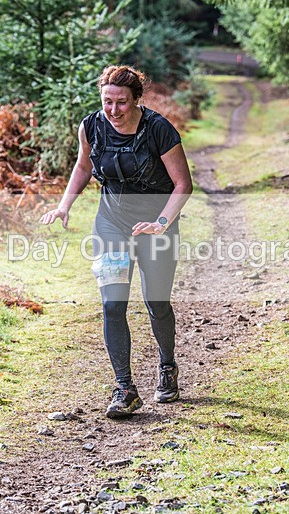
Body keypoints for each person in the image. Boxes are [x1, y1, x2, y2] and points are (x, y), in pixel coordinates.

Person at [40, 65, 193, 419]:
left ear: (136, 99)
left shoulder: (159, 129)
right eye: (107, 101)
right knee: (112, 305)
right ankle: (124, 388)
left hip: (156, 226)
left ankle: (167, 366)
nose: (113, 109)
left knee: (157, 303)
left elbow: (183, 184)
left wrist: (161, 223)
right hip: (111, 224)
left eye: (121, 102)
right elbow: (83, 166)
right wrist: (64, 205)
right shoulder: (91, 126)